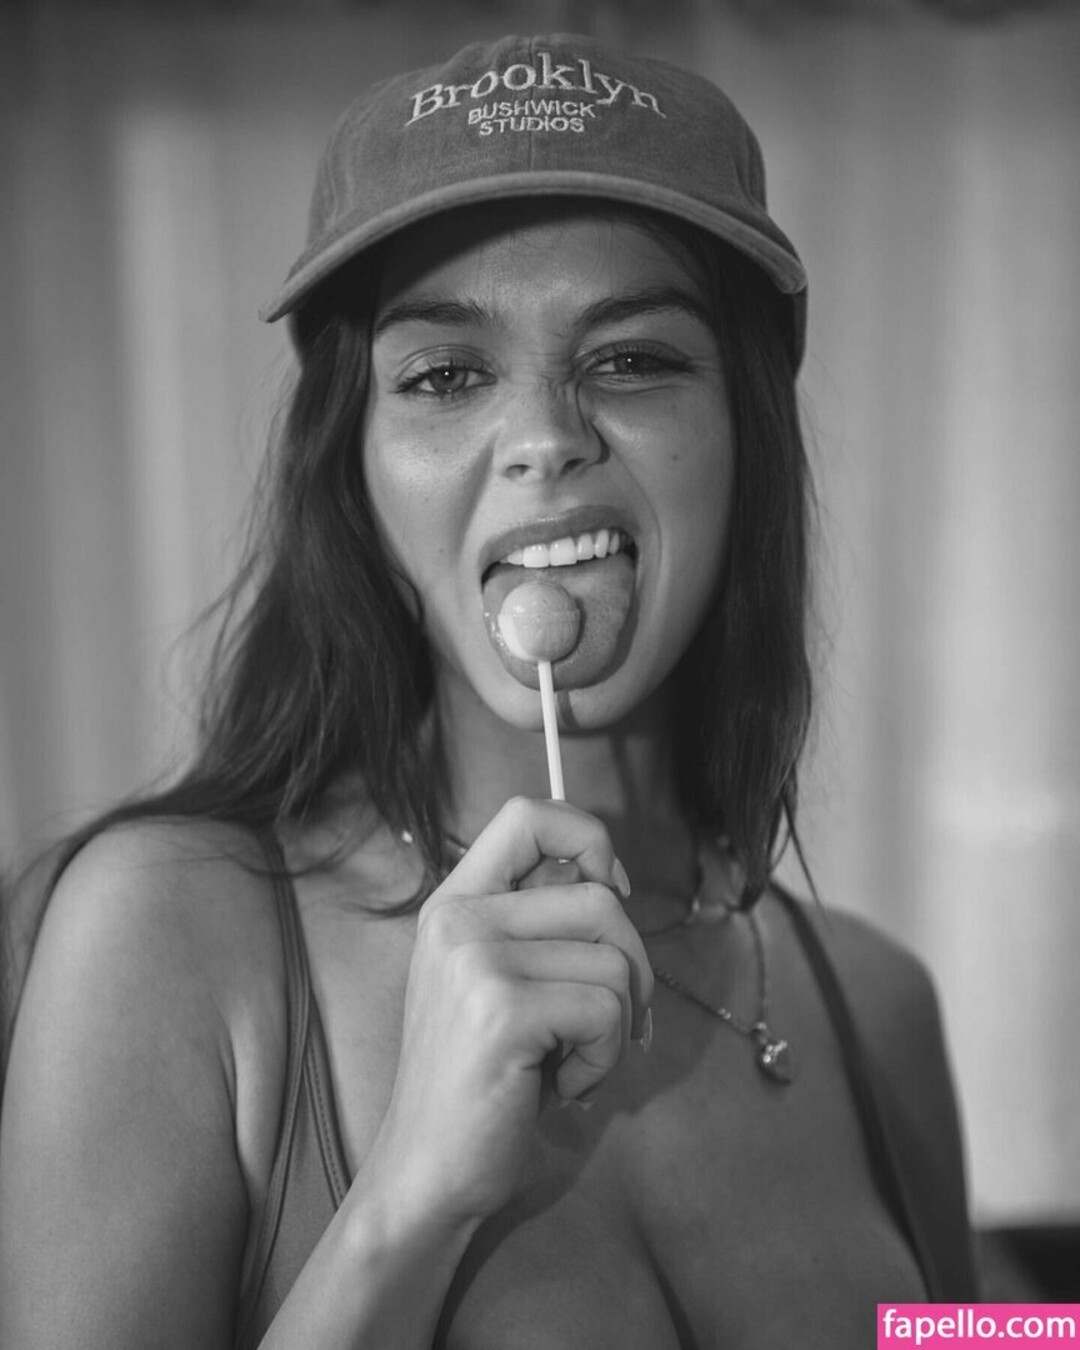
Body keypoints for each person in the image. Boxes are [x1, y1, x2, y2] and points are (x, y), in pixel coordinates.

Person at [0, 33, 978, 1349]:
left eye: (632, 358)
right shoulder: (164, 937)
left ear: (746, 430)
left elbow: (967, 1337)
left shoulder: (876, 1003)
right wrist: (408, 1198)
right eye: (446, 376)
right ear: (352, 471)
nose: (545, 439)